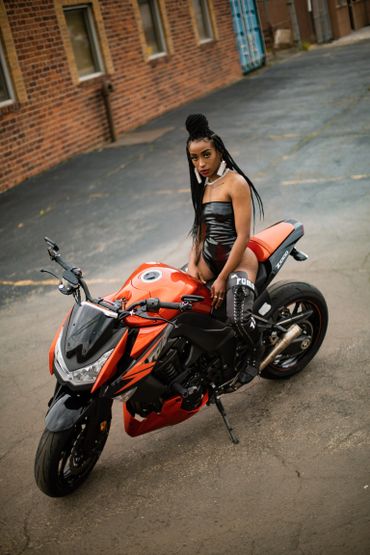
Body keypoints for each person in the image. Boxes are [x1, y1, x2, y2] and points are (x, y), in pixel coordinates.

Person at [185, 114, 264, 384]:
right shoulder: (203, 185)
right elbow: (200, 231)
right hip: (209, 257)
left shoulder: (235, 183)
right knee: (181, 304)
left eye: (206, 155)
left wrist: (221, 279)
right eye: (194, 158)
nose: (201, 163)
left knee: (239, 319)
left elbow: (243, 237)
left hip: (239, 259)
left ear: (218, 150)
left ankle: (256, 351)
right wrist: (192, 263)